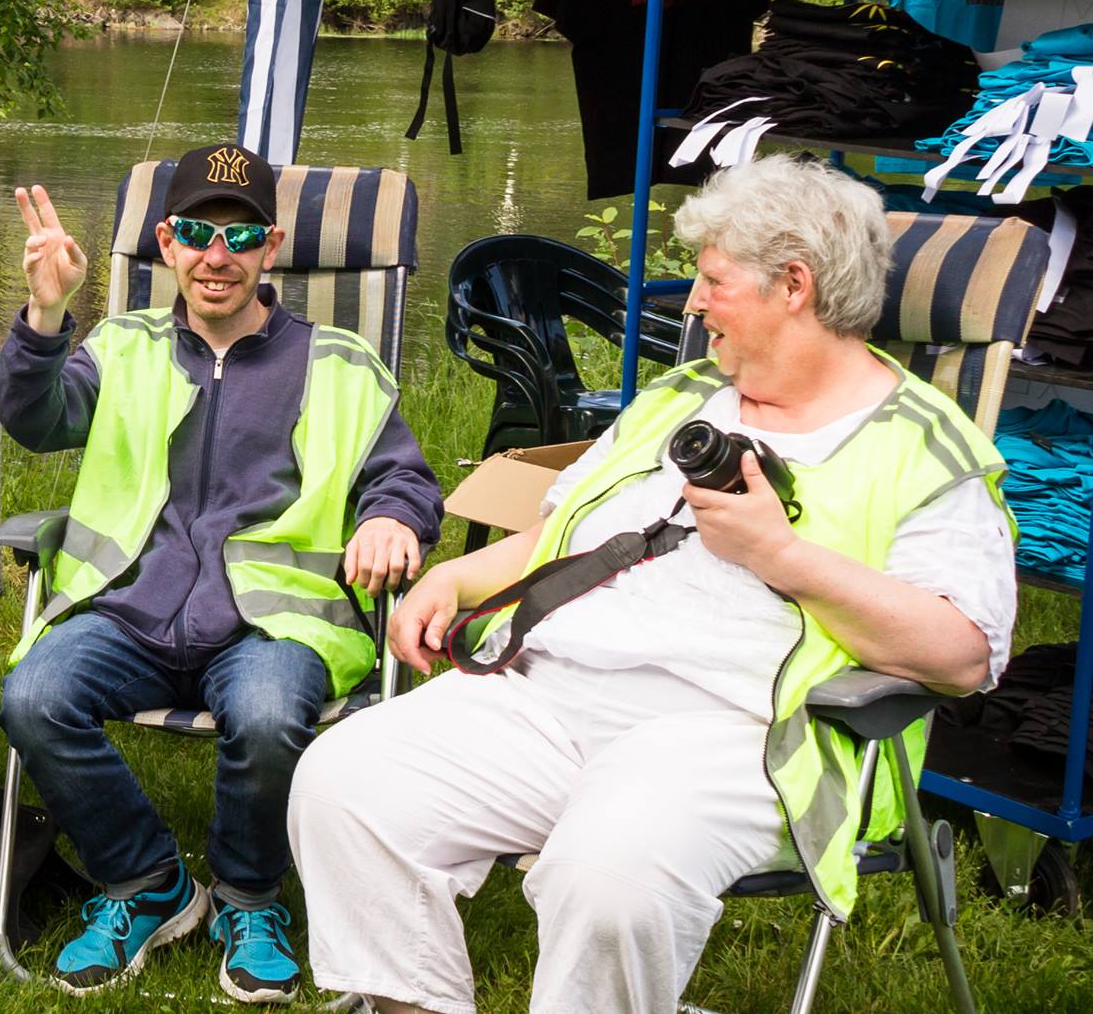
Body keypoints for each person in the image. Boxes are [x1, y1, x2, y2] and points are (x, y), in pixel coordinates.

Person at [287, 155, 1018, 1014]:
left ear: (794, 285)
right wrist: (460, 572)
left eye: (712, 280)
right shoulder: (684, 396)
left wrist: (782, 557)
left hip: (738, 732)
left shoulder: (927, 451)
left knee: (608, 875)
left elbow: (962, 655)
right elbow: (563, 534)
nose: (695, 301)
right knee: (346, 781)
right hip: (551, 696)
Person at [0, 143, 445, 1002]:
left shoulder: (340, 361)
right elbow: (35, 419)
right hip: (130, 603)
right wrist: (46, 317)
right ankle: (147, 882)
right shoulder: (120, 345)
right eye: (196, 233)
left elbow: (404, 476)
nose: (217, 256)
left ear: (270, 248)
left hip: (273, 620)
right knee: (33, 697)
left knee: (272, 714)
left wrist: (390, 517)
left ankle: (247, 896)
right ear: (166, 242)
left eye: (239, 239)